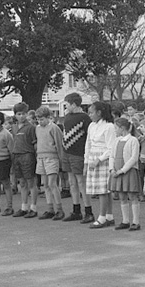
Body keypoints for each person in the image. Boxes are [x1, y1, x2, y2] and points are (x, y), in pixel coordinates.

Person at [61, 93, 94, 223]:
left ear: (74, 104)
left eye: (67, 104)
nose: (66, 107)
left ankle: (88, 211)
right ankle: (76, 210)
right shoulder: (67, 117)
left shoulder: (85, 118)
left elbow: (89, 137)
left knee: (81, 182)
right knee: (72, 182)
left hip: (78, 153)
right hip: (67, 152)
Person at [85, 101, 116, 228]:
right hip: (93, 158)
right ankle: (109, 216)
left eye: (91, 112)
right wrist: (86, 161)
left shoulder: (109, 126)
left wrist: (99, 159)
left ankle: (103, 217)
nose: (90, 115)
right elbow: (88, 144)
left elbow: (111, 147)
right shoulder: (91, 126)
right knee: (101, 189)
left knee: (103, 190)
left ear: (99, 112)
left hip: (104, 160)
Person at [110, 117, 142, 231]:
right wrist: (112, 169)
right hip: (117, 171)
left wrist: (122, 170)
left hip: (128, 171)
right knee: (122, 196)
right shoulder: (116, 141)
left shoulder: (133, 140)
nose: (115, 130)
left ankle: (136, 222)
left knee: (132, 196)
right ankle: (125, 220)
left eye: (116, 128)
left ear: (122, 128)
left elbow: (134, 158)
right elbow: (112, 156)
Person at [35, 105, 65, 220]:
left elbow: (59, 144)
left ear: (48, 117)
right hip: (41, 157)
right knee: (46, 184)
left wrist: (61, 159)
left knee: (52, 184)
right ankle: (50, 209)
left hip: (52, 157)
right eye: (38, 119)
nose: (40, 121)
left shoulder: (54, 128)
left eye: (42, 119)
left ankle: (59, 209)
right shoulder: (37, 128)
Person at [10, 102, 39, 218]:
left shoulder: (31, 127)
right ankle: (24, 207)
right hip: (16, 155)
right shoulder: (14, 127)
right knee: (22, 183)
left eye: (23, 114)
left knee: (31, 182)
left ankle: (33, 207)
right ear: (15, 115)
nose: (21, 116)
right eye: (18, 114)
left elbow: (35, 144)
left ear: (27, 114)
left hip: (27, 155)